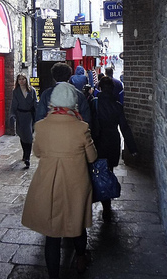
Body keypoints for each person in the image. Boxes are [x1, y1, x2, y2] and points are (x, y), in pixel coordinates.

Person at [22, 82, 98, 278]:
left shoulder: (41, 126)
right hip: (76, 184)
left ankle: (53, 275)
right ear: (73, 102)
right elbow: (92, 157)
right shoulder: (82, 127)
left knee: (52, 234)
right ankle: (81, 259)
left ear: (53, 101)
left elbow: (37, 152)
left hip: (49, 183)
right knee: (77, 226)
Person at [91, 76, 138, 220]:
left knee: (96, 171)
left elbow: (89, 124)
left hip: (98, 141)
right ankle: (107, 205)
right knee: (109, 170)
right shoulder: (117, 105)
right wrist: (132, 148)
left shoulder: (94, 103)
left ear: (99, 88)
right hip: (112, 140)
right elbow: (124, 127)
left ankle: (97, 197)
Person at [9, 73, 38, 168]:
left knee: (29, 136)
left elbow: (35, 103)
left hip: (29, 116)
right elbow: (13, 104)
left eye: (23, 79)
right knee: (22, 135)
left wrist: (39, 114)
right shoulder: (16, 91)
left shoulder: (32, 90)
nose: (22, 81)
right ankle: (25, 153)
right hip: (20, 115)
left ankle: (27, 157)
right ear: (17, 81)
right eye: (20, 79)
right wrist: (12, 115)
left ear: (26, 80)